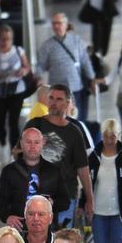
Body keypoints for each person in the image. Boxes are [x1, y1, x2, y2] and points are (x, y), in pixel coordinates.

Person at [27, 84, 96, 222]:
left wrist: (89, 199)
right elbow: (17, 153)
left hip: (66, 196)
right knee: (39, 241)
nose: (53, 102)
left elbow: (83, 167)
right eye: (51, 98)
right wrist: (34, 146)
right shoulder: (35, 125)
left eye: (59, 99)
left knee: (63, 241)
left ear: (67, 103)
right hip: (37, 196)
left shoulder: (75, 131)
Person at [0, 126, 72, 228]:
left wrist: (52, 203)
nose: (32, 146)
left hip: (46, 229)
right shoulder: (9, 171)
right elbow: (0, 201)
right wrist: (7, 217)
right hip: (19, 228)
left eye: (36, 142)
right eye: (28, 142)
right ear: (21, 144)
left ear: (42, 144)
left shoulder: (53, 171)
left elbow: (65, 201)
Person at [37, 14, 98, 117]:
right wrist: (39, 78)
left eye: (59, 23)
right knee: (59, 117)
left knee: (77, 117)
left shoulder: (76, 41)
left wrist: (92, 79)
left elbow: (85, 61)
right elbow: (41, 65)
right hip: (57, 90)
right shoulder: (47, 45)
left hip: (76, 87)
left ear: (65, 25)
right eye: (54, 23)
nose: (56, 26)